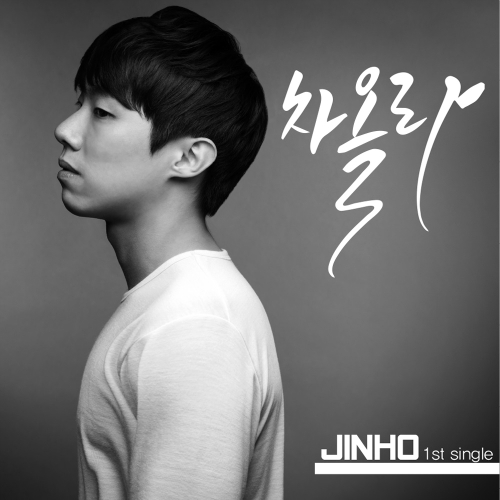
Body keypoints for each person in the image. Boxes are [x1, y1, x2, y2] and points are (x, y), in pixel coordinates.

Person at [54, 6, 284, 500]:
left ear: (188, 157)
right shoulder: (177, 308)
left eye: (102, 113)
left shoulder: (195, 327)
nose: (66, 130)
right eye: (80, 104)